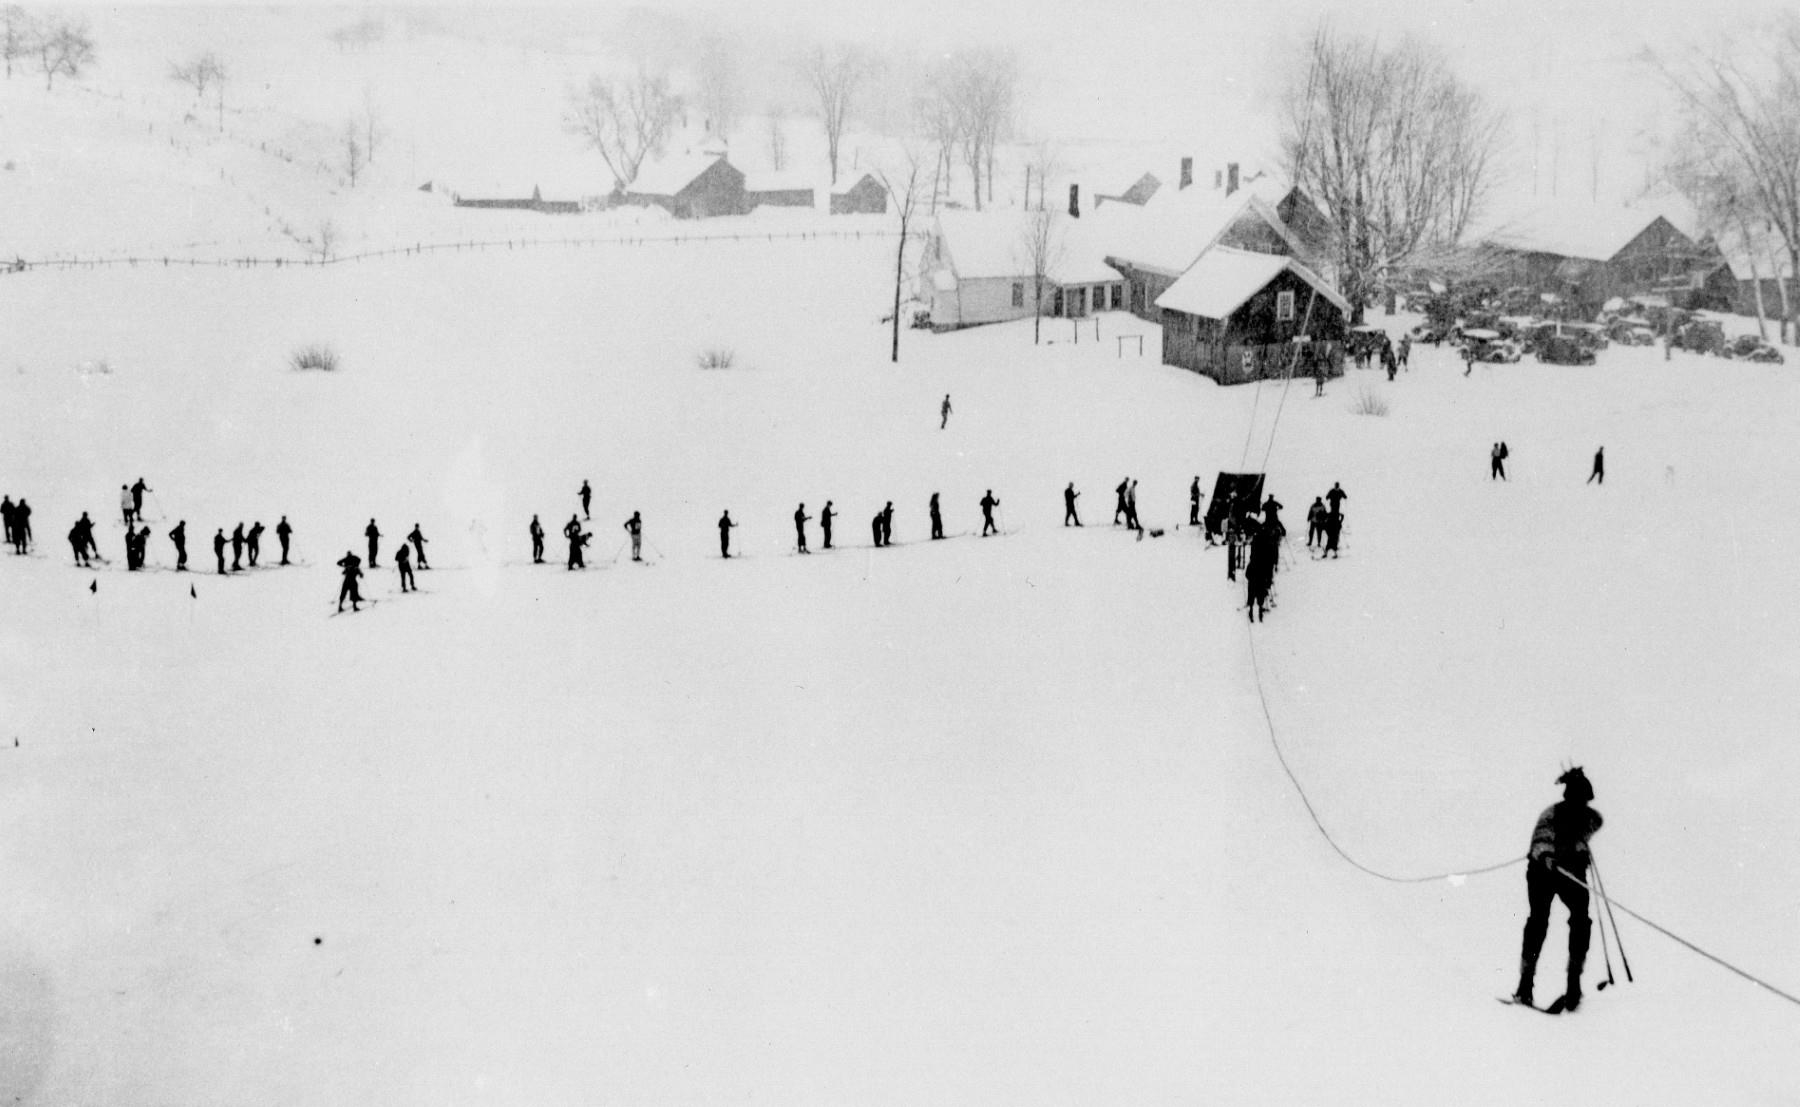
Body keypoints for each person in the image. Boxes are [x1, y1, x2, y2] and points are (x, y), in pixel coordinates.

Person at [1512, 767, 1604, 1012]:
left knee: (1581, 920)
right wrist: (1547, 855)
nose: (1582, 804)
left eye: (1584, 800)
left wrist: (1579, 848)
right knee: (1538, 921)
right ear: (1569, 796)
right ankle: (1525, 985)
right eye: (1579, 799)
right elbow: (1542, 838)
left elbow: (1593, 825)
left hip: (1569, 874)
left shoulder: (1587, 817)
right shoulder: (1552, 813)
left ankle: (1574, 984)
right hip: (1541, 873)